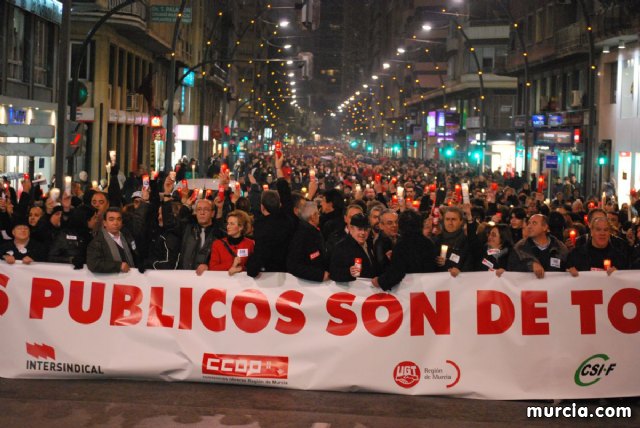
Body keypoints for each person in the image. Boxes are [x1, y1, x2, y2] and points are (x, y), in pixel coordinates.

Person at [372, 210, 437, 291]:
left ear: (401, 225)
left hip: (409, 293)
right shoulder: (429, 243)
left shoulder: (402, 246)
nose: (395, 225)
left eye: (397, 222)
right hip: (429, 289)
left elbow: (397, 272)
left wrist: (380, 281)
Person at [246, 189, 296, 277]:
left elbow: (261, 251)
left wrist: (251, 269)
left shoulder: (261, 226)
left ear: (262, 207)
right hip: (289, 269)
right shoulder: (288, 220)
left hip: (268, 272)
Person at [509, 214, 569, 278]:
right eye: (529, 223)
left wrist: (570, 269)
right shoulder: (519, 248)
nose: (529, 226)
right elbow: (511, 269)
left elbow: (567, 267)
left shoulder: (560, 248)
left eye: (534, 223)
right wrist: (530, 265)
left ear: (545, 227)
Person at [176, 198, 224, 275]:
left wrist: (209, 266)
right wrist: (186, 205)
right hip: (184, 278)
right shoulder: (187, 229)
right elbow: (175, 222)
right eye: (199, 209)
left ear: (212, 213)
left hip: (208, 279)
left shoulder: (219, 234)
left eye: (206, 209)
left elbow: (223, 259)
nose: (202, 212)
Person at [86, 207, 140, 273]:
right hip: (111, 281)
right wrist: (118, 266)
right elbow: (94, 264)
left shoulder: (127, 236)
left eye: (119, 219)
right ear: (104, 223)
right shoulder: (97, 242)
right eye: (111, 220)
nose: (115, 223)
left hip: (133, 278)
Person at [287, 201, 329, 282]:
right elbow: (294, 265)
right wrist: (319, 275)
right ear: (313, 216)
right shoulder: (303, 235)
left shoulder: (312, 232)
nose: (319, 216)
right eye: (318, 214)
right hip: (308, 286)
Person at [329, 213, 379, 282]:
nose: (363, 233)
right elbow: (334, 273)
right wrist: (349, 272)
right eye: (359, 229)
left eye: (366, 229)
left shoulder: (370, 243)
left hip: (370, 290)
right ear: (351, 228)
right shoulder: (341, 247)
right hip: (353, 290)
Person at [431, 205, 476, 277]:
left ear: (461, 221)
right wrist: (435, 261)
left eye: (453, 219)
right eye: (447, 219)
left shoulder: (466, 242)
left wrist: (461, 272)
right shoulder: (435, 241)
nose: (450, 222)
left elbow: (471, 264)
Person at [209, 210, 255, 275]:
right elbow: (212, 268)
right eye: (228, 223)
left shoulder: (250, 244)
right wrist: (232, 264)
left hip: (243, 282)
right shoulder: (217, 244)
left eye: (232, 224)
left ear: (241, 227)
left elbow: (253, 266)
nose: (228, 226)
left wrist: (241, 268)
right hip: (223, 282)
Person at [374, 208, 399, 273]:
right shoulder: (379, 244)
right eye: (390, 223)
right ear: (381, 226)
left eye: (396, 222)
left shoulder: (402, 239)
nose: (394, 225)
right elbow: (381, 269)